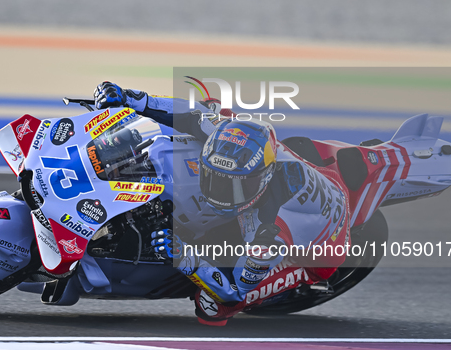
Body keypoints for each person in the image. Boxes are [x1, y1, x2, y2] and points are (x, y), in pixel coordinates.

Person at [94, 81, 352, 326]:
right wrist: (128, 98)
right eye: (216, 179)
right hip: (303, 174)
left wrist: (184, 256)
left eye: (238, 186)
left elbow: (232, 292)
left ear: (263, 180)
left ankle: (299, 279)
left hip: (322, 250)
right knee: (211, 108)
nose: (222, 192)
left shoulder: (268, 232)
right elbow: (194, 113)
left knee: (213, 307)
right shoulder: (226, 136)